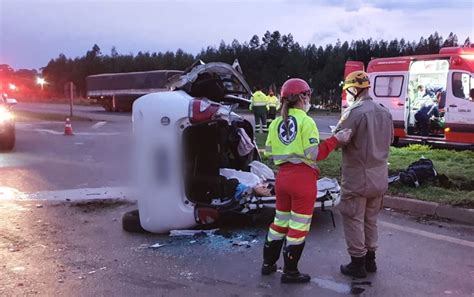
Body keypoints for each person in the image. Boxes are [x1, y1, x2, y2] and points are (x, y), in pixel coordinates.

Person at [262, 78, 351, 283]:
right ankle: (290, 272)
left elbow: (268, 152)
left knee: (280, 222)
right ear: (302, 97)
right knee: (298, 226)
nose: (309, 98)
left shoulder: (276, 122)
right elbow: (314, 153)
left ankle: (268, 264)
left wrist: (288, 153)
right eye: (308, 94)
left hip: (282, 178)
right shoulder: (306, 121)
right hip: (302, 180)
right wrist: (336, 140)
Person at [335, 71, 393, 279]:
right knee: (371, 219)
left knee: (353, 218)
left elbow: (339, 140)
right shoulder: (384, 112)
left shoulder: (354, 113)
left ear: (353, 88)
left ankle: (357, 263)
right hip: (379, 177)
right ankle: (371, 260)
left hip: (357, 178)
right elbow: (390, 140)